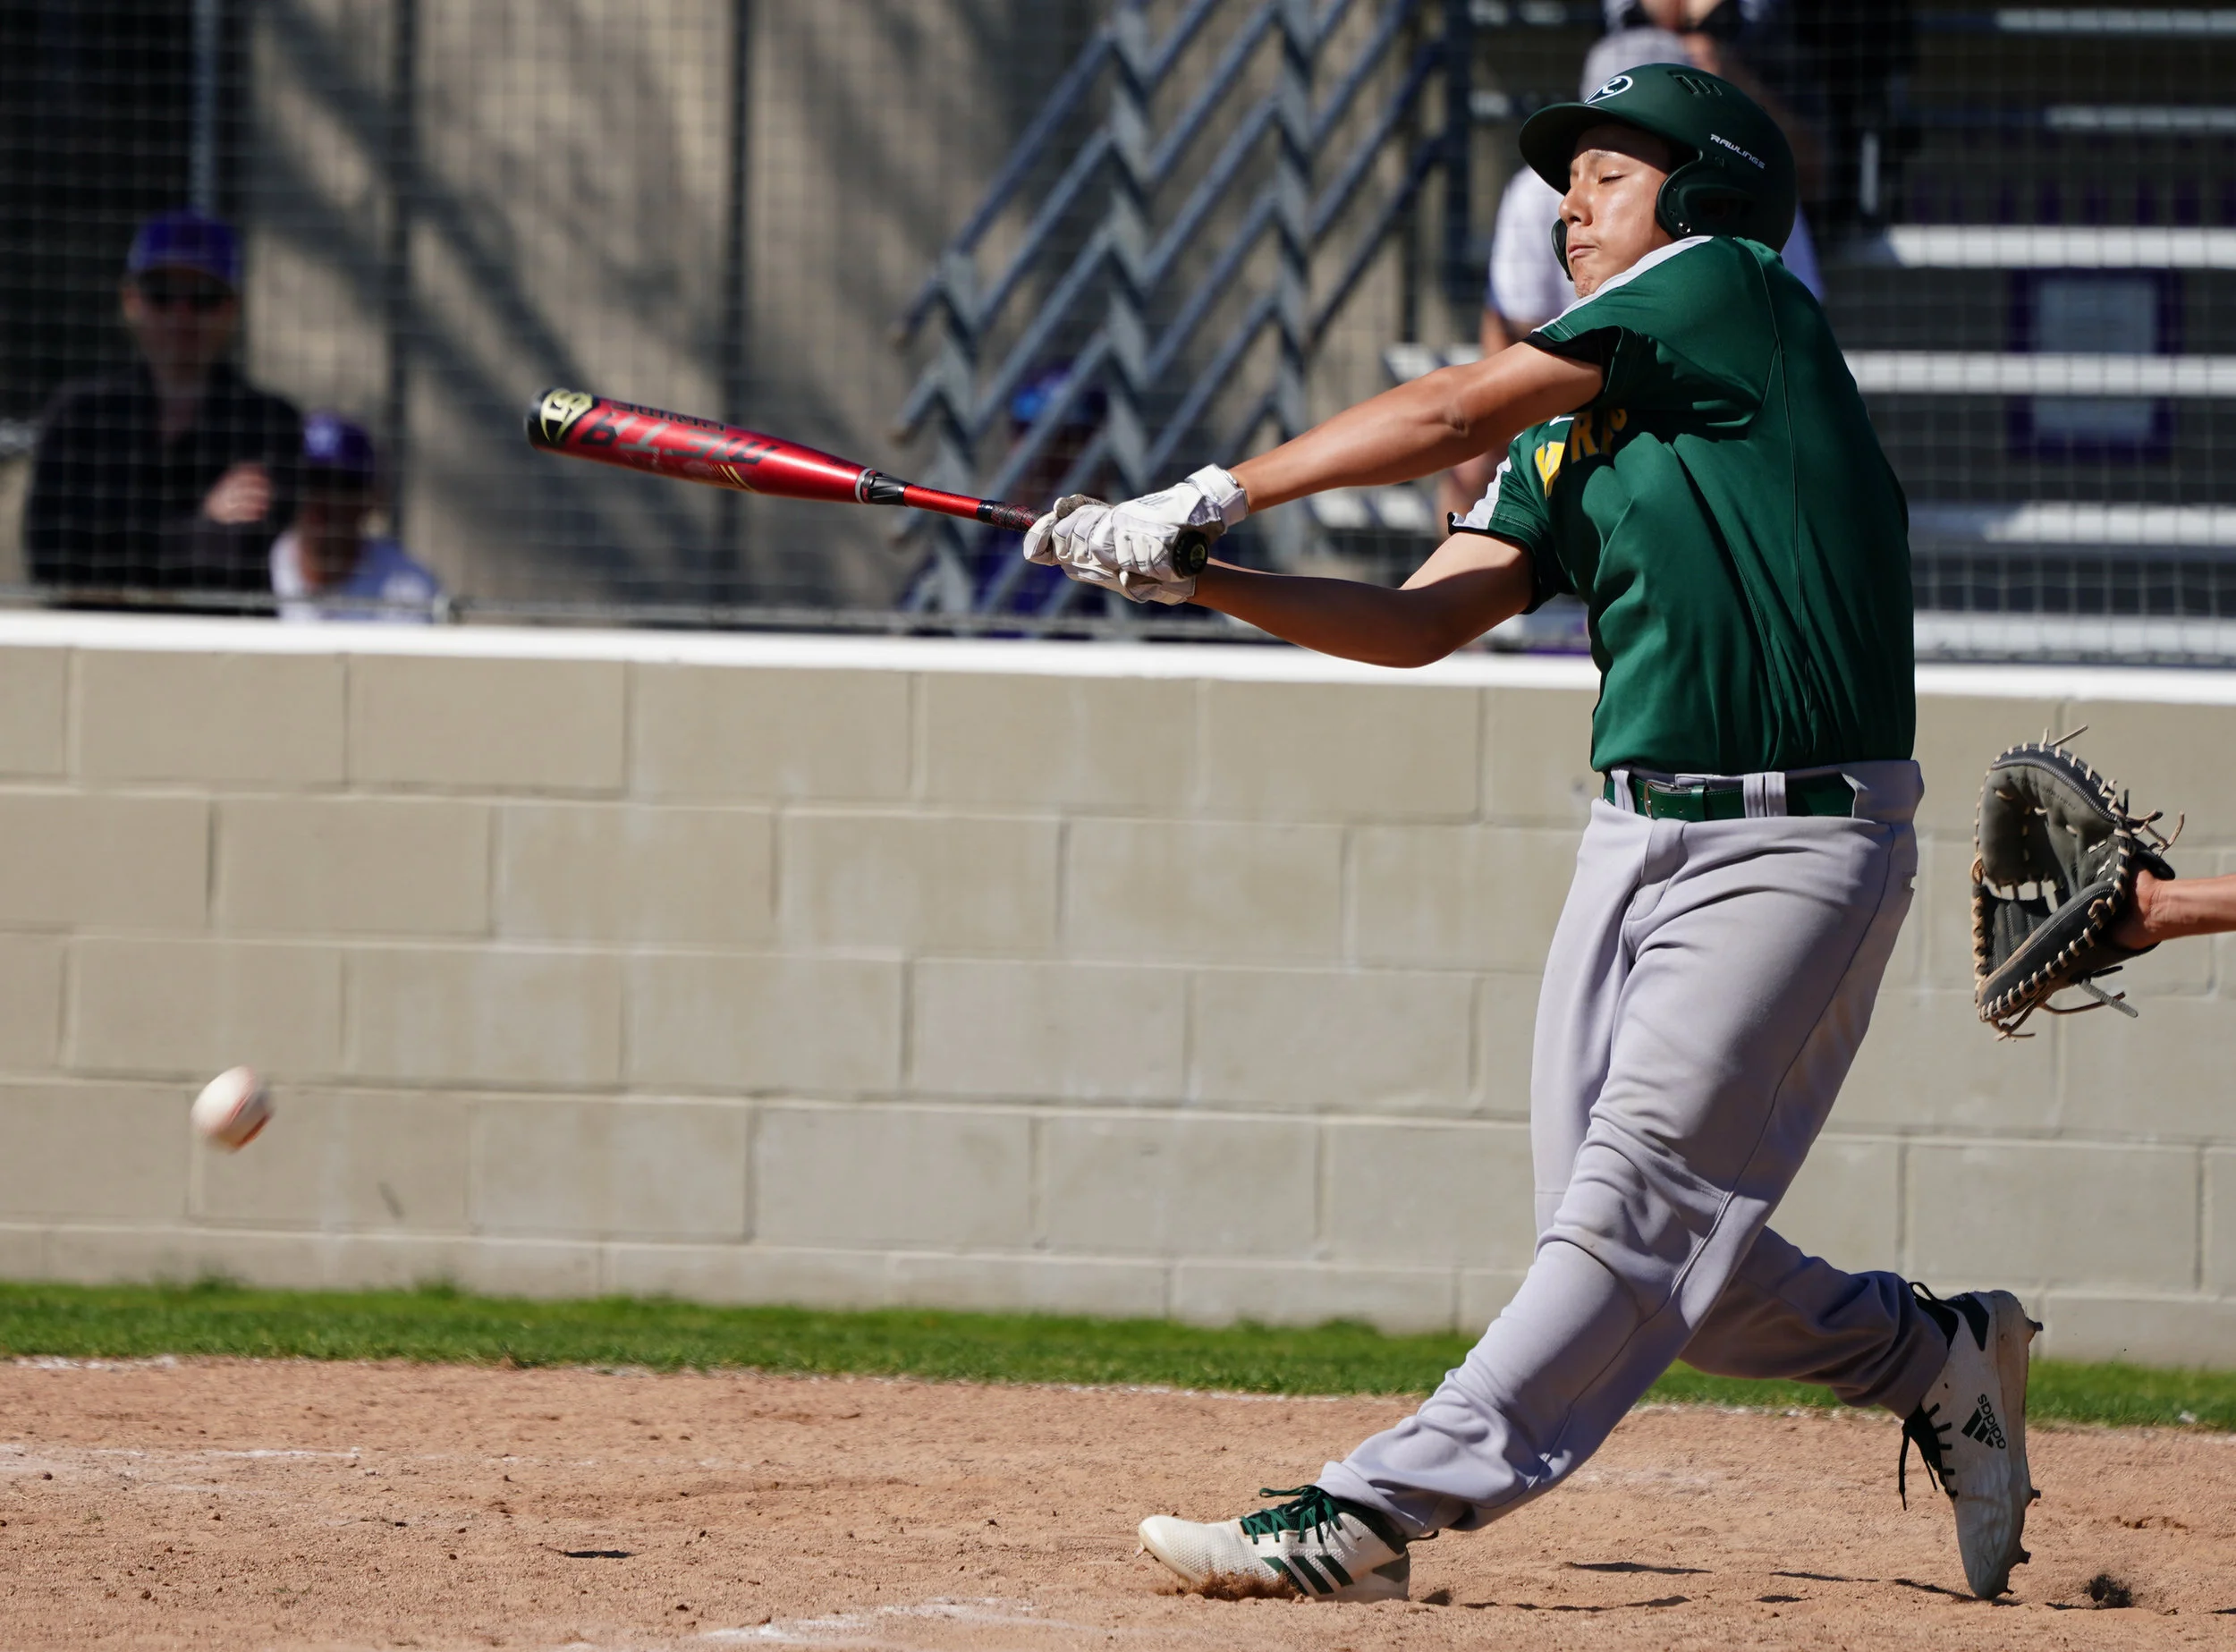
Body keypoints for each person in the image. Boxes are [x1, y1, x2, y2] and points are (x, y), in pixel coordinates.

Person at [1027, 64, 2038, 1603]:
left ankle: (1370, 1513)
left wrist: (1211, 487)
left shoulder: (1732, 290)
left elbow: (1444, 399)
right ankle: (1936, 1352)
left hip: (1797, 840)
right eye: (1572, 181)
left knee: (1632, 1217)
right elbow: (1421, 619)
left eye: (1611, 175)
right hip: (1631, 840)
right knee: (1653, 1261)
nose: (1569, 204)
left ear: (1699, 199)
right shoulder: (1579, 432)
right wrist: (1201, 576)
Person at [1440, 29, 1822, 525]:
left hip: (1697, 434)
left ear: (1693, 188)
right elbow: (1503, 332)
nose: (1570, 206)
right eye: (1581, 166)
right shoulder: (1539, 198)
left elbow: (1452, 409)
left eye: (1612, 172)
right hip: (1578, 398)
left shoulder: (1736, 244)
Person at [24, 209, 300, 598]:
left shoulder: (269, 424)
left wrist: (120, 535)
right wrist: (201, 528)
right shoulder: (80, 416)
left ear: (232, 308)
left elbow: (251, 561)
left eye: (203, 297)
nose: (181, 314)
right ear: (131, 301)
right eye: (162, 294)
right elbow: (53, 558)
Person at [269, 413, 440, 623]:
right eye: (309, 482)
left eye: (340, 485)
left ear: (371, 498)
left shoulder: (409, 588)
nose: (320, 499)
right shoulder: (259, 570)